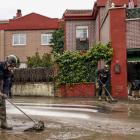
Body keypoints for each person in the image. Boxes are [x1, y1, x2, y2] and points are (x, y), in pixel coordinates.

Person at [0, 55, 20, 130]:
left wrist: (5, 93)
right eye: (12, 66)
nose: (13, 68)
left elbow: (6, 85)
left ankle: (3, 124)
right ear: (8, 63)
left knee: (2, 103)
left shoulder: (8, 73)